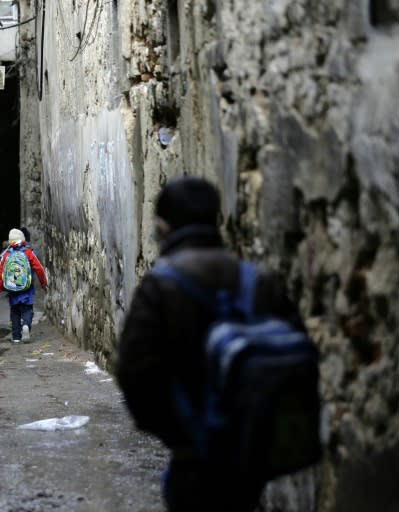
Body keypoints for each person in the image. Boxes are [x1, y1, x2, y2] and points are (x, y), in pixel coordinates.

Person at [116, 176, 304, 512]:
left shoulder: (161, 286)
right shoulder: (256, 280)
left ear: (163, 226)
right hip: (251, 446)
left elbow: (134, 372)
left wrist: (177, 435)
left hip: (195, 452)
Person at [0, 228, 48, 343]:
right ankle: (26, 326)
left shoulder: (6, 254)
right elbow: (39, 269)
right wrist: (44, 284)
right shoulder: (28, 253)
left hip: (12, 291)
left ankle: (16, 337)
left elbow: (0, 272)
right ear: (23, 240)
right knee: (28, 310)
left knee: (15, 313)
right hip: (26, 290)